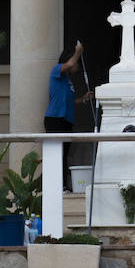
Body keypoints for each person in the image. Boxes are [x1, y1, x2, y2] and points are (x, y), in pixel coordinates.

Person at [45, 41, 94, 191]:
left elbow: (70, 100)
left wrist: (83, 99)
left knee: (65, 153)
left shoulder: (67, 81)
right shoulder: (57, 71)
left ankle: (62, 185)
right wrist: (78, 52)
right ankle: (54, 186)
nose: (77, 66)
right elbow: (69, 63)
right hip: (55, 119)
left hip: (66, 120)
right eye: (75, 63)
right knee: (56, 153)